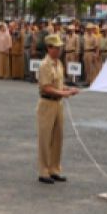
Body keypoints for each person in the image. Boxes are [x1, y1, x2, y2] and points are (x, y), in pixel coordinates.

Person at [35, 34, 78, 184]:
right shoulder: (44, 65)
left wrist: (68, 88)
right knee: (45, 139)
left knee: (57, 138)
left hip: (58, 104)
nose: (59, 50)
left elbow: (58, 85)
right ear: (49, 48)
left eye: (60, 47)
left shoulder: (58, 63)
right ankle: (43, 171)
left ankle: (54, 169)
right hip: (47, 104)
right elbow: (47, 88)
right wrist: (65, 93)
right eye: (56, 47)